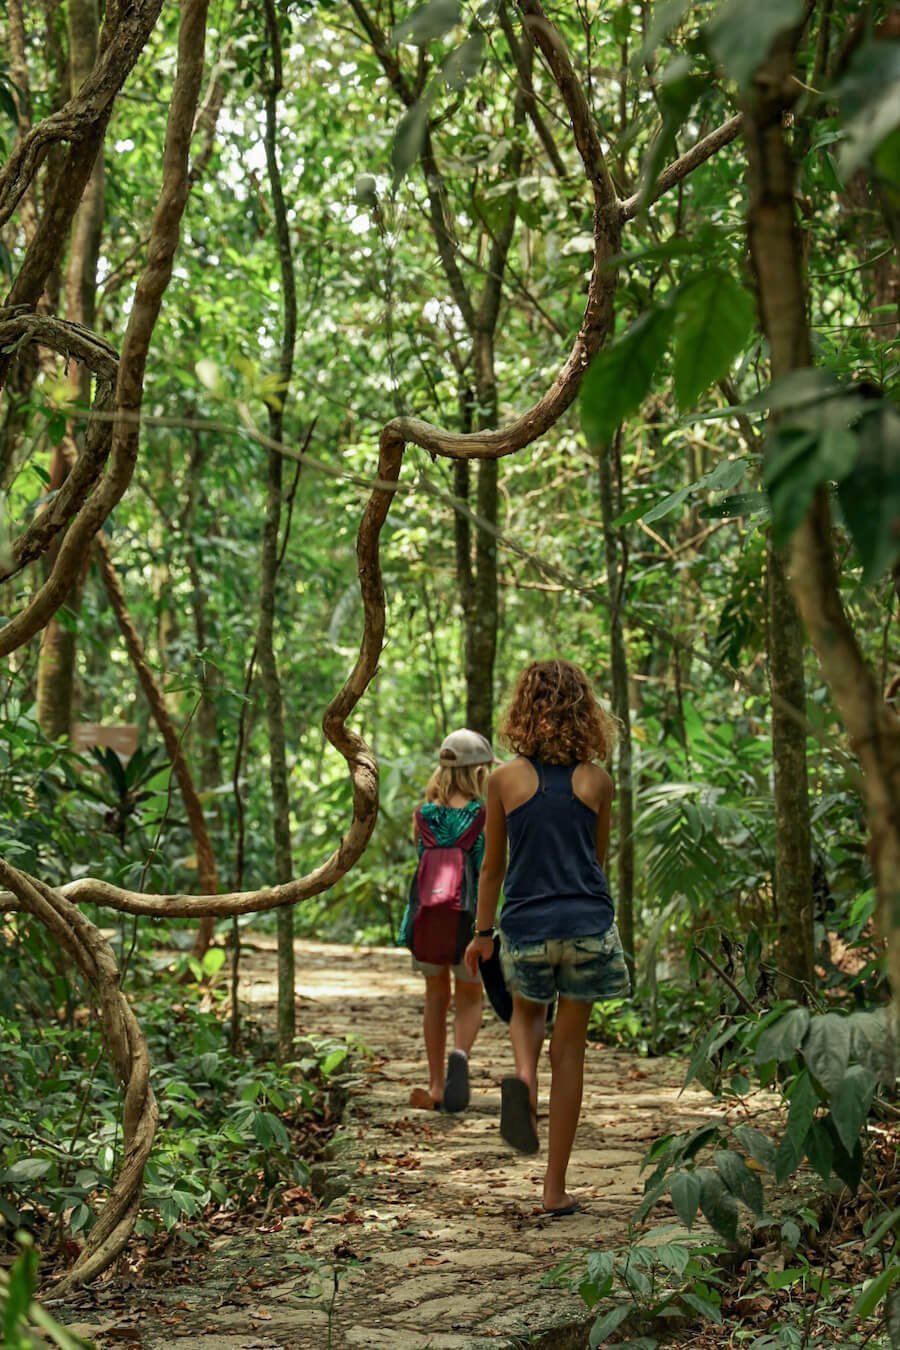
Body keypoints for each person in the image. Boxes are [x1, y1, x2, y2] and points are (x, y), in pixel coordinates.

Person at [464, 660, 630, 1216]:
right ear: (586, 711)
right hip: (585, 926)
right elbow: (597, 864)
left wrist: (483, 933)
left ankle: (524, 1080)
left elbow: (491, 869)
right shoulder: (597, 781)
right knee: (572, 1050)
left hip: (527, 927)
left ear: (523, 710)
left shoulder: (504, 780)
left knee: (528, 1019)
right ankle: (554, 1190)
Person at [409, 728, 496, 1113]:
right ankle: (460, 1055)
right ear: (479, 771)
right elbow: (489, 869)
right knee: (469, 996)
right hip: (468, 918)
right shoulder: (484, 814)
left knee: (434, 998)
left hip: (427, 918)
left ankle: (435, 1084)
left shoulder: (423, 815)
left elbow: (420, 866)